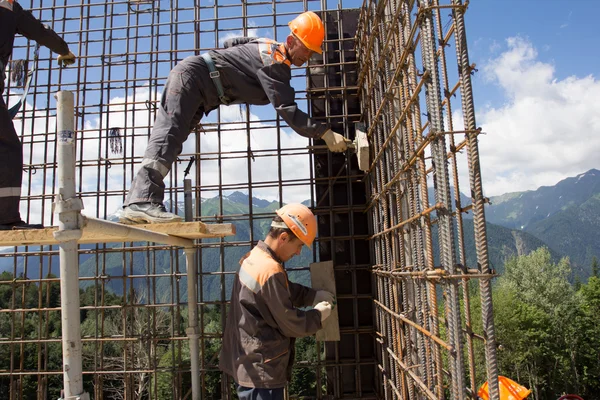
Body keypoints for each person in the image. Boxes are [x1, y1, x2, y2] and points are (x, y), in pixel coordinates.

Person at [121, 11, 351, 224]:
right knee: (168, 136)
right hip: (194, 80)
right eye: (306, 49)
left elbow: (231, 44)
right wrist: (325, 133)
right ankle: (142, 202)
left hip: (202, 90)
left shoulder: (265, 45)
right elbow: (286, 108)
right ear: (291, 41)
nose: (309, 56)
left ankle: (136, 203)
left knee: (172, 140)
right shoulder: (274, 62)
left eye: (312, 51)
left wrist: (231, 66)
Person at [219, 203, 335, 399]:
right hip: (262, 370)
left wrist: (311, 295)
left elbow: (279, 292)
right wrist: (318, 316)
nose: (298, 253)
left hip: (248, 362)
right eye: (298, 245)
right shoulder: (270, 270)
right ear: (283, 238)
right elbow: (291, 324)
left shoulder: (254, 257)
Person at [0, 0, 76, 230]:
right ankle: (5, 218)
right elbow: (40, 32)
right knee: (6, 149)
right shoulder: (7, 5)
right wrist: (64, 50)